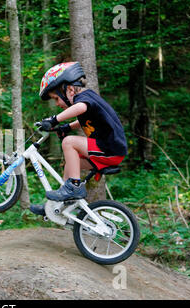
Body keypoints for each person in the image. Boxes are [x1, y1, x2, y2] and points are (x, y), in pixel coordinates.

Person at [30, 61, 127, 215]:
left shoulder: (84, 97)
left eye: (56, 98)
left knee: (69, 142)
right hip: (106, 150)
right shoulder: (86, 101)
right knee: (70, 163)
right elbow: (84, 120)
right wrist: (66, 127)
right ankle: (56, 205)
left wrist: (54, 120)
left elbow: (81, 108)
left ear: (69, 90)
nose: (57, 103)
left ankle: (74, 186)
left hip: (109, 148)